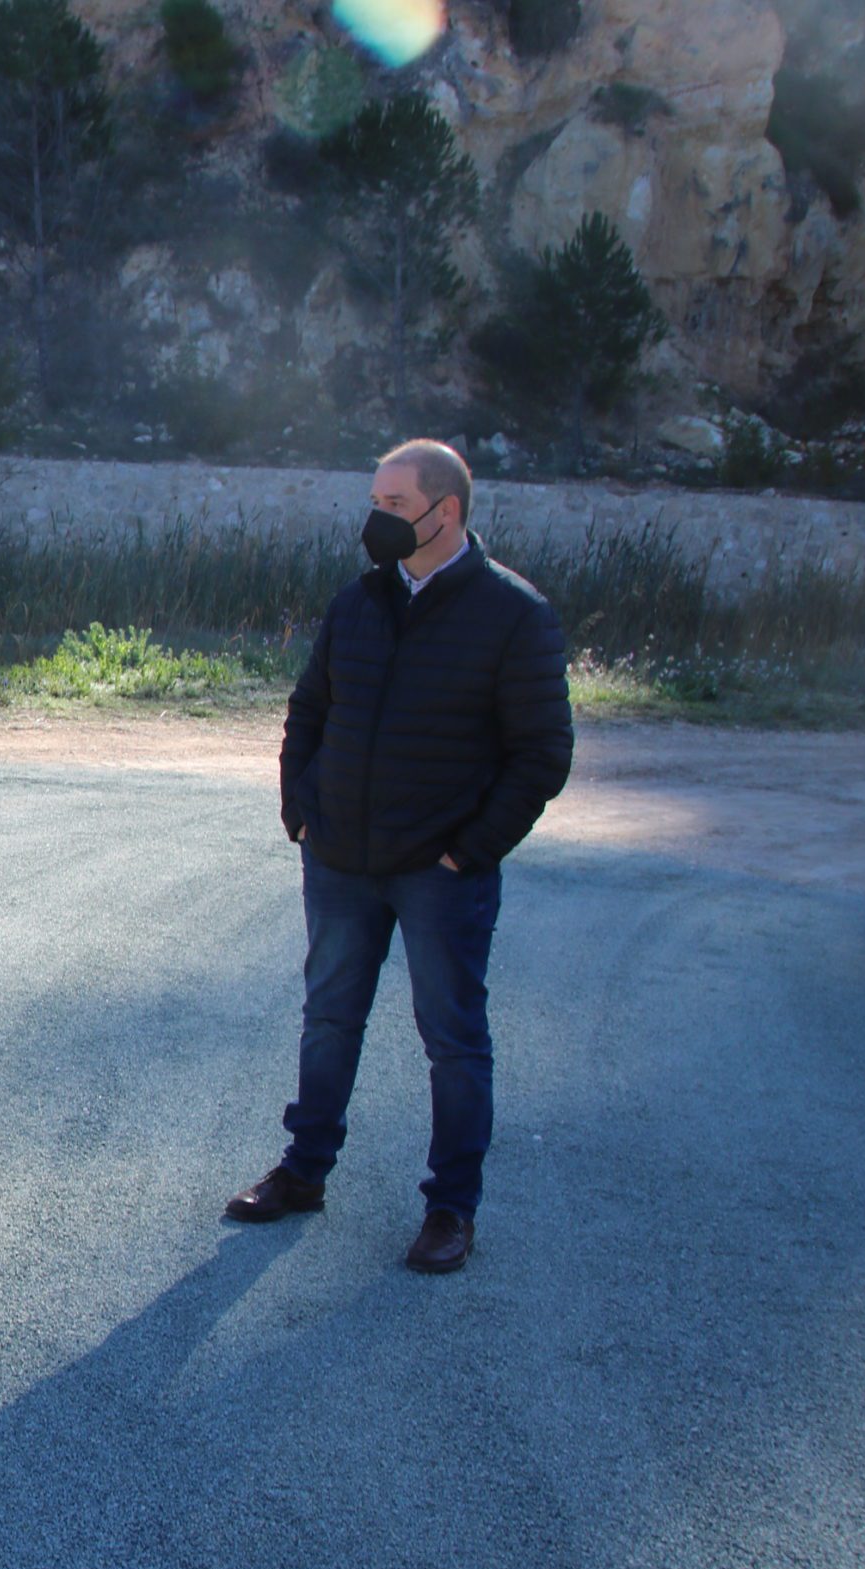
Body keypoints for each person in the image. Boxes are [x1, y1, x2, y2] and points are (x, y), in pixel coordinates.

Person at [226, 438, 574, 1273]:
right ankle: (304, 1172)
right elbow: (307, 710)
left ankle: (451, 1209)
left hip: (438, 873)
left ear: (442, 511)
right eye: (374, 502)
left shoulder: (514, 616)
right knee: (329, 1019)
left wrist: (468, 851)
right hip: (341, 859)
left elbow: (542, 755)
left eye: (391, 505)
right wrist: (300, 810)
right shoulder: (358, 603)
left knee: (453, 1041)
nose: (373, 520)